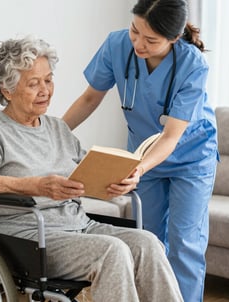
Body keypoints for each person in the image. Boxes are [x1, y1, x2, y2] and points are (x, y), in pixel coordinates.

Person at [0, 36, 183, 302]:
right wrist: (35, 186)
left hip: (79, 225)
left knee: (148, 243)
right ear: (7, 90)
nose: (45, 90)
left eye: (48, 79)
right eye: (33, 84)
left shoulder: (57, 128)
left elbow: (86, 175)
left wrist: (118, 181)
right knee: (112, 252)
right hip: (28, 237)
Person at [62, 1, 219, 301]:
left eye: (151, 40)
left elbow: (171, 137)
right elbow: (89, 99)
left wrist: (139, 169)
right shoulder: (116, 45)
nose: (138, 43)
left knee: (185, 242)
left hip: (191, 158)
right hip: (141, 156)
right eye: (135, 31)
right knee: (147, 240)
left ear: (173, 38)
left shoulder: (192, 64)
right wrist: (52, 133)